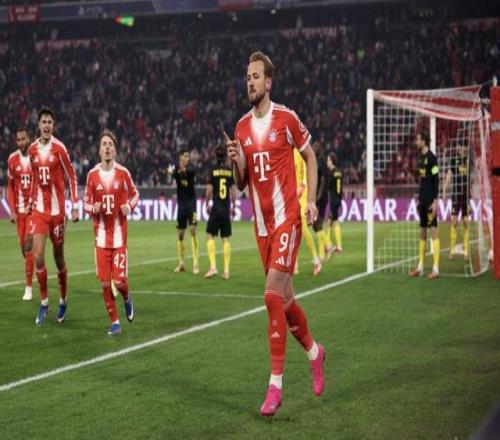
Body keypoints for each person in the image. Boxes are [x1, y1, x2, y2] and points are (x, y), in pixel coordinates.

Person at [225, 51, 325, 417]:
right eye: (247, 77)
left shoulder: (287, 118)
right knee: (285, 302)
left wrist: (310, 201)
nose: (249, 82)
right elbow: (241, 184)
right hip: (262, 228)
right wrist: (236, 163)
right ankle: (315, 353)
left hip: (287, 221)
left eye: (255, 76)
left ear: (268, 82)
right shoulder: (240, 128)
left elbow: (310, 156)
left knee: (270, 296)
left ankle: (275, 385)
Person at [84, 130, 138, 335]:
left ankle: (127, 297)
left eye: (110, 144)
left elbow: (135, 194)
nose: (107, 147)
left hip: (119, 237)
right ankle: (115, 322)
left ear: (115, 150)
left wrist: (129, 206)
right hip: (100, 239)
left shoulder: (123, 172)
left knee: (120, 282)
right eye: (104, 144)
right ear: (99, 150)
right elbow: (86, 203)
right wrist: (93, 208)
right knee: (106, 284)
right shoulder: (92, 175)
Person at [28, 108, 79, 325]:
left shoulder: (59, 148)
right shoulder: (32, 149)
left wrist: (75, 205)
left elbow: (72, 176)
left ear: (53, 125)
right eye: (44, 122)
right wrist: (31, 199)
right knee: (38, 256)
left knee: (58, 257)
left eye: (50, 122)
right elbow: (34, 177)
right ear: (39, 125)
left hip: (58, 213)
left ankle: (63, 300)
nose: (47, 125)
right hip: (40, 210)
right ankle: (44, 302)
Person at [7, 127, 34, 300]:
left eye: (23, 139)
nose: (21, 142)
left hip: (33, 209)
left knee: (28, 244)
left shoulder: (35, 156)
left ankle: (28, 288)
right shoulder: (12, 159)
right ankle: (34, 264)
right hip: (19, 211)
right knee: (23, 247)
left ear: (28, 138)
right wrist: (12, 210)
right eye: (18, 140)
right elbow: (10, 187)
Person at [409, 130, 440, 279]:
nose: (416, 142)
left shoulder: (432, 158)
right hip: (422, 200)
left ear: (424, 141)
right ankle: (420, 267)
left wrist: (435, 201)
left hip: (430, 201)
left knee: (433, 232)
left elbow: (436, 179)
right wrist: (419, 199)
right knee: (422, 232)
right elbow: (423, 181)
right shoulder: (420, 158)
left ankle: (436, 269)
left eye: (418, 139)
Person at [204, 145, 236, 280]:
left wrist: (206, 203)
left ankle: (213, 267)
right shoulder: (229, 171)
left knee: (209, 235)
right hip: (226, 207)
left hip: (216, 207)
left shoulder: (213, 170)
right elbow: (233, 190)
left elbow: (209, 189)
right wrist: (234, 206)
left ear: (216, 156)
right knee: (225, 238)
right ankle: (227, 271)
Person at [167, 150, 199, 274]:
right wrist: (170, 172)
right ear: (181, 157)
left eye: (188, 156)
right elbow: (171, 172)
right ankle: (181, 263)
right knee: (180, 234)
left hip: (191, 205)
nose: (187, 158)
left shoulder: (191, 168)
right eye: (185, 156)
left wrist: (175, 171)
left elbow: (187, 172)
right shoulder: (176, 167)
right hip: (181, 205)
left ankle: (195, 264)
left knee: (192, 231)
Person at [293, 148, 322, 276]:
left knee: (303, 228)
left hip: (302, 194)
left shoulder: (300, 149)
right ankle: (294, 264)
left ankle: (316, 261)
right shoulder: (288, 151)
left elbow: (308, 166)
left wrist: (303, 185)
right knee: (293, 229)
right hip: (292, 194)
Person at [443, 145, 470, 260]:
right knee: (454, 222)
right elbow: (449, 175)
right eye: (460, 146)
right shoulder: (454, 160)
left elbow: (474, 173)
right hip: (456, 195)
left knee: (466, 222)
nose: (462, 148)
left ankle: (466, 251)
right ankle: (452, 250)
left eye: (464, 146)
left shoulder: (469, 160)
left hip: (466, 196)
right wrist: (445, 190)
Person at [312, 142, 333, 263]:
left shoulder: (321, 162)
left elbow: (324, 181)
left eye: (316, 147)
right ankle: (324, 251)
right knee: (316, 226)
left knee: (317, 225)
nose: (314, 149)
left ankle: (327, 248)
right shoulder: (317, 161)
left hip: (321, 198)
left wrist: (318, 198)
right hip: (319, 197)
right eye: (313, 147)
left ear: (320, 150)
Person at [327, 152, 343, 253]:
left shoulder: (331, 173)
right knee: (331, 221)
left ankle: (336, 246)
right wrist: (339, 199)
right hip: (338, 199)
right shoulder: (339, 172)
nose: (327, 162)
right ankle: (329, 244)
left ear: (331, 161)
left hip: (333, 200)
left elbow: (328, 186)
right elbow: (340, 187)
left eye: (328, 160)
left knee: (334, 221)